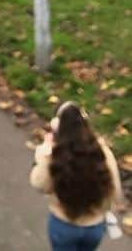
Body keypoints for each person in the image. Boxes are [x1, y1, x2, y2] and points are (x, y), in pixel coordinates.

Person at [31, 102, 123, 249]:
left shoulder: (55, 154)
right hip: (94, 227)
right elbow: (115, 192)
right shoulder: (102, 152)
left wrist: (43, 153)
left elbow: (39, 183)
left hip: (64, 225)